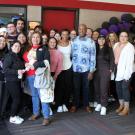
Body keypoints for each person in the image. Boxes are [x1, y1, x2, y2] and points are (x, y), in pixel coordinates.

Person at [23, 32, 51, 125]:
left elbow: (46, 62)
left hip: (40, 75)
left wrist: (34, 65)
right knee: (34, 96)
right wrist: (25, 64)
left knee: (43, 95)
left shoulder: (44, 48)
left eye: (37, 37)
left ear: (40, 39)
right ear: (31, 39)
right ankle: (36, 113)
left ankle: (46, 116)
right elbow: (24, 61)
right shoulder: (27, 48)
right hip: (30, 76)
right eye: (33, 37)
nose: (35, 39)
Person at [70, 24, 96, 113]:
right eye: (79, 29)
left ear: (86, 31)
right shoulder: (73, 40)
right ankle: (75, 105)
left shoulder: (91, 42)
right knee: (76, 87)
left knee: (86, 88)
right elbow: (71, 54)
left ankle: (86, 105)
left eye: (83, 29)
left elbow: (93, 57)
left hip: (86, 69)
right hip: (75, 68)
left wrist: (91, 71)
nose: (81, 30)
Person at [3, 41, 25, 124]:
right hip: (11, 81)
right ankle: (12, 117)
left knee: (17, 98)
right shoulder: (9, 56)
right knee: (16, 99)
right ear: (11, 47)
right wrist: (17, 72)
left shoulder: (17, 56)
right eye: (15, 46)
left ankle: (14, 115)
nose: (17, 47)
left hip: (17, 81)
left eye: (19, 46)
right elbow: (5, 69)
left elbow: (20, 67)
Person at [114, 31, 135, 116]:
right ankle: (121, 105)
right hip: (118, 70)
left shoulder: (130, 47)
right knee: (118, 88)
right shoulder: (116, 45)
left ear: (127, 37)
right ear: (119, 37)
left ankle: (126, 108)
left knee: (124, 88)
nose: (123, 38)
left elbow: (130, 63)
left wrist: (127, 75)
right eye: (121, 36)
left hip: (127, 70)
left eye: (125, 36)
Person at [94, 35, 114, 115]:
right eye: (99, 39)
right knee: (97, 88)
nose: (101, 41)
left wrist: (111, 69)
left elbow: (112, 59)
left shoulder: (108, 49)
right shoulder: (95, 49)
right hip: (96, 71)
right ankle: (99, 103)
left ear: (104, 41)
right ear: (97, 40)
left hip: (105, 70)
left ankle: (104, 106)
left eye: (102, 39)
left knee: (103, 88)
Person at [56, 29, 72, 112]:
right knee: (60, 87)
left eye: (66, 34)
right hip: (59, 68)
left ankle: (65, 104)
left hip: (69, 67)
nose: (65, 36)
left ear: (68, 35)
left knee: (68, 86)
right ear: (61, 35)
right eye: (63, 34)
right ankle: (59, 104)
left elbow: (73, 54)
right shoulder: (57, 43)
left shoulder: (71, 43)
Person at [0, 36, 8, 117]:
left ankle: (1, 114)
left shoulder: (6, 53)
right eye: (0, 41)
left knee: (4, 98)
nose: (2, 42)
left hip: (5, 78)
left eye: (4, 41)